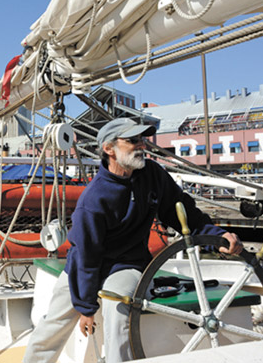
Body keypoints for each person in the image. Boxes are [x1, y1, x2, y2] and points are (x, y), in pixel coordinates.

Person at [23, 118, 242, 363]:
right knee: (52, 324)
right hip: (85, 265)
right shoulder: (93, 201)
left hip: (127, 264)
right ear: (109, 149)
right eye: (133, 140)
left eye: (142, 139)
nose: (142, 146)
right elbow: (87, 257)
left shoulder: (153, 175)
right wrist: (85, 308)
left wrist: (216, 236)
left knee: (117, 311)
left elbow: (183, 212)